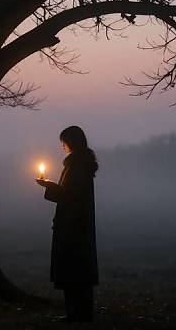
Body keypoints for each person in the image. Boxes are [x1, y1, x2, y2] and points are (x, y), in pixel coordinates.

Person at [36, 125, 99, 323]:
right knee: (77, 273)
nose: (62, 146)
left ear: (71, 143)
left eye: (64, 142)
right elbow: (70, 195)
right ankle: (78, 314)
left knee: (74, 273)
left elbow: (71, 197)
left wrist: (50, 187)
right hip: (76, 225)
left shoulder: (77, 167)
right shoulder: (79, 165)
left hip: (73, 226)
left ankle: (78, 315)